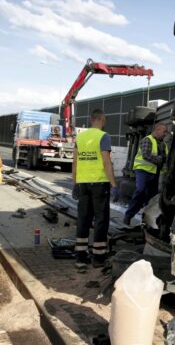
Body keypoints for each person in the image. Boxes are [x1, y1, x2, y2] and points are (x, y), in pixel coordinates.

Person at [72, 109, 117, 268]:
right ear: (102, 120)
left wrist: (74, 182)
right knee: (101, 220)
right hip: (99, 184)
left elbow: (75, 162)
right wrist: (113, 183)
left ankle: (81, 256)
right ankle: (98, 257)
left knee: (83, 219)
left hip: (83, 183)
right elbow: (106, 162)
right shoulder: (103, 136)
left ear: (91, 120)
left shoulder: (80, 137)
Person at [123, 123, 169, 225]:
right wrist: (160, 159)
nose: (166, 134)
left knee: (151, 198)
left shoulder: (164, 145)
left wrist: (165, 174)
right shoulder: (147, 140)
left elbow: (166, 161)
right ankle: (128, 215)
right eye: (164, 131)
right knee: (140, 191)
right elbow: (146, 155)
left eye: (166, 132)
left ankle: (146, 221)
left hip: (155, 173)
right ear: (157, 130)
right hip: (143, 171)